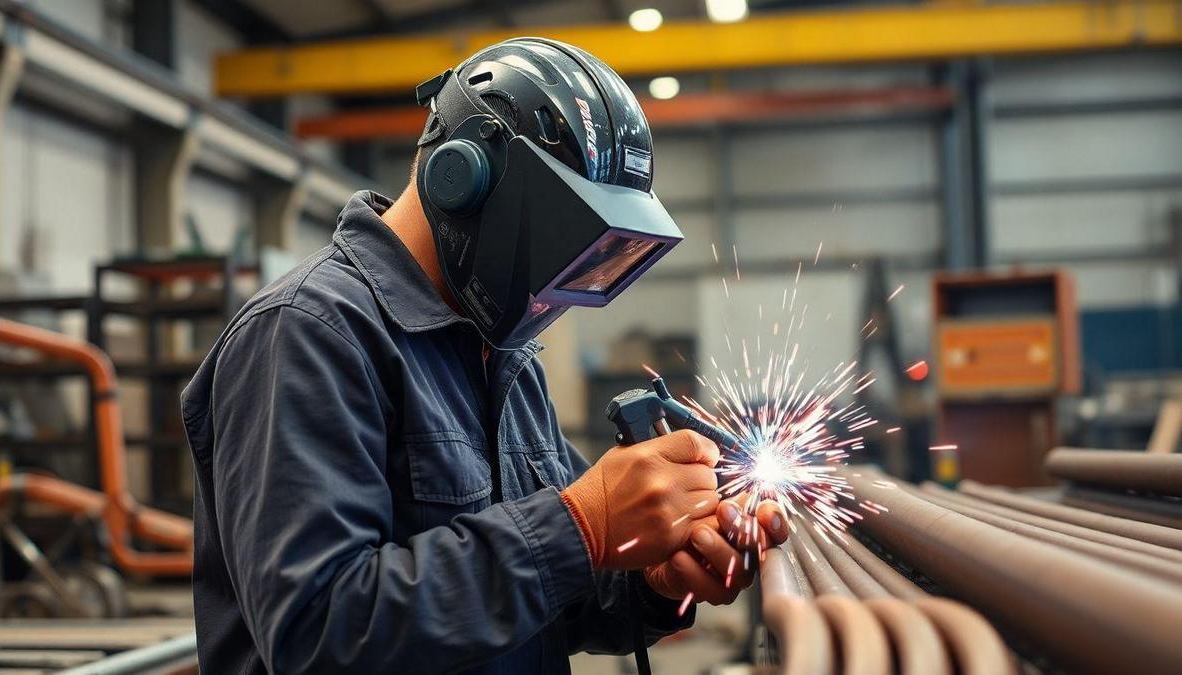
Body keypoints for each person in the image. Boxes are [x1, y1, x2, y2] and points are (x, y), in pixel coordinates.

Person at [181, 38, 788, 674]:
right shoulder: (308, 332)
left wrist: (651, 575)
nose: (561, 288)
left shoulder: (502, 355)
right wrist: (579, 526)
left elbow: (550, 600)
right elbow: (318, 632)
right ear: (462, 179)